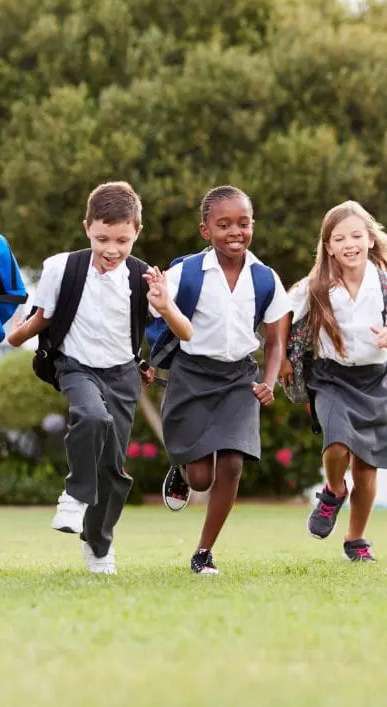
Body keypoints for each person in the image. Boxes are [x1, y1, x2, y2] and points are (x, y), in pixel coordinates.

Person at [7, 181, 192, 574]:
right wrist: (15, 333)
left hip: (123, 374)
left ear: (136, 233)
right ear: (87, 227)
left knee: (114, 469)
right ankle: (74, 496)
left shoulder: (145, 278)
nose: (112, 249)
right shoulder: (62, 268)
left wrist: (164, 304)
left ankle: (98, 542)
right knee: (91, 416)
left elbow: (185, 331)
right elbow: (44, 318)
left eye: (122, 240)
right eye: (102, 237)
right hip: (75, 366)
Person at [158, 185, 291, 574]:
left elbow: (275, 341)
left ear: (253, 226)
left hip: (239, 379)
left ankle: (203, 553)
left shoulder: (264, 278)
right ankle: (182, 468)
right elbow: (152, 313)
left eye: (243, 223)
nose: (235, 232)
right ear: (206, 231)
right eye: (224, 224)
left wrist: (269, 382)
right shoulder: (185, 273)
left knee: (232, 464)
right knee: (201, 479)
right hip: (192, 375)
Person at [281, 201, 387, 562]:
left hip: (376, 379)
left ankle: (356, 540)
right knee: (338, 444)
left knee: (367, 465)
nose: (349, 244)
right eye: (339, 238)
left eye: (357, 235)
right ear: (328, 246)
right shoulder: (317, 285)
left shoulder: (384, 279)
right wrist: (279, 356)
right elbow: (280, 311)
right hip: (331, 378)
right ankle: (333, 490)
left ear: (371, 240)